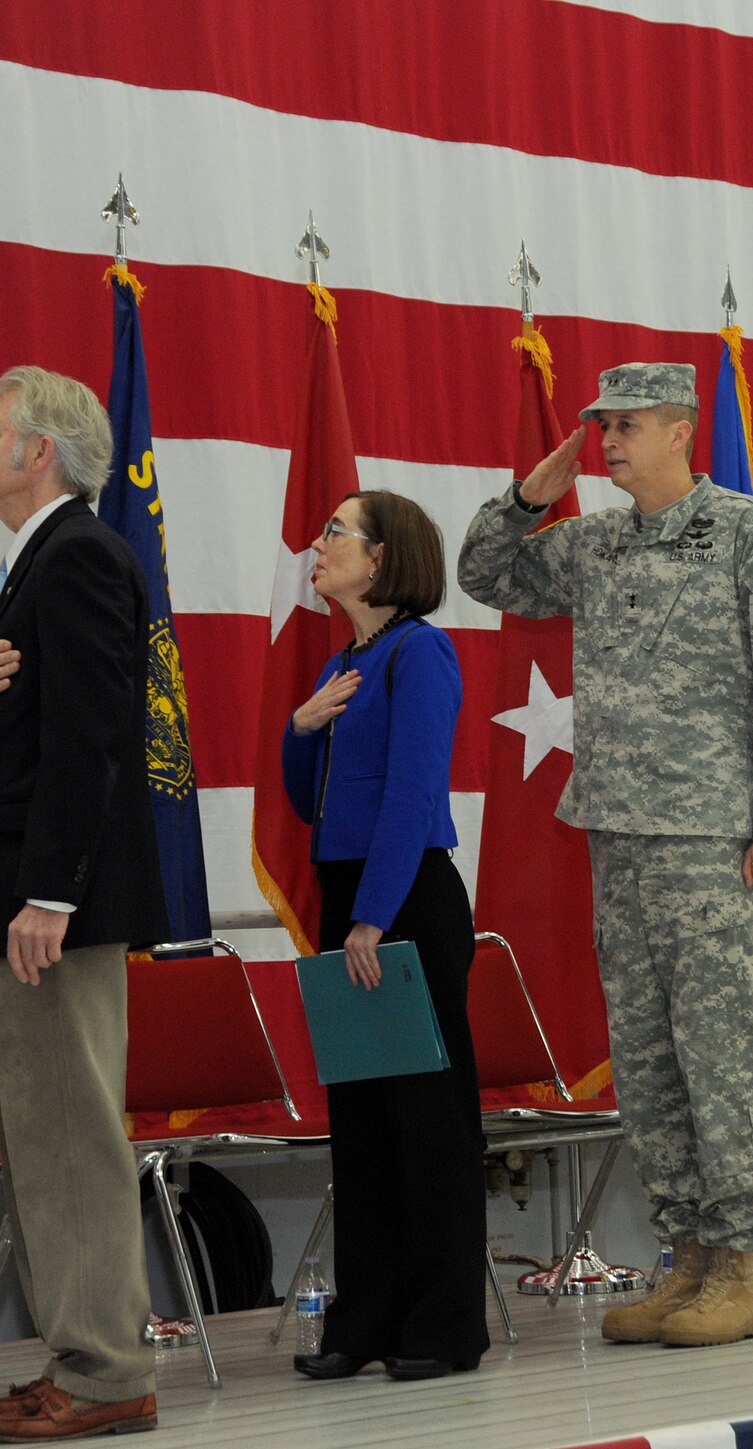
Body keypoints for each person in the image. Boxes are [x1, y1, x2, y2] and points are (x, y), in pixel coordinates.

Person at [459, 362, 753, 1348]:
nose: (605, 442)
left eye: (622, 426)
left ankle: (742, 1263)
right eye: (597, 426)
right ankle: (688, 1255)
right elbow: (485, 574)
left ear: (677, 429)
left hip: (710, 831)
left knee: (716, 1045)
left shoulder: (746, 532)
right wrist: (529, 493)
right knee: (649, 1049)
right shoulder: (591, 540)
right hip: (617, 827)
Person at [0, 366, 168, 1443]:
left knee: (72, 1135)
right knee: (42, 1135)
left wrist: (47, 891)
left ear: (41, 453)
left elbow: (89, 740)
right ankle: (80, 1356)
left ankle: (109, 1370)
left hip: (52, 907)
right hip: (34, 901)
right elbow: (20, 722)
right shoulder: (39, 562)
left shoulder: (75, 557)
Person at [280, 489, 489, 1382]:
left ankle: (443, 1326)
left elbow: (412, 794)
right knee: (362, 1122)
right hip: (351, 897)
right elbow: (309, 805)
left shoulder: (420, 652)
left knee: (428, 1122)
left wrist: (372, 913)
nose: (319, 544)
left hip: (402, 903)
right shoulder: (346, 661)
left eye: (337, 532)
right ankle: (362, 1322)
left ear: (383, 558)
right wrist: (301, 729)